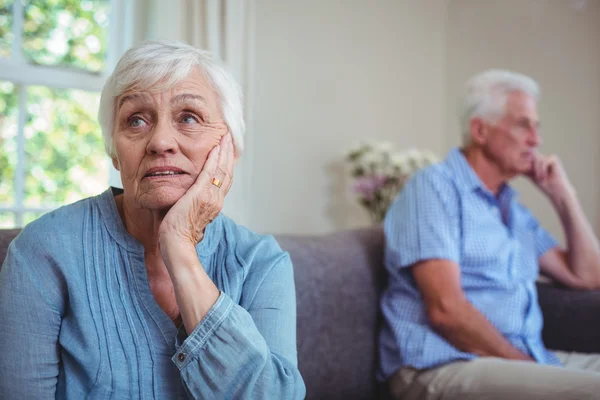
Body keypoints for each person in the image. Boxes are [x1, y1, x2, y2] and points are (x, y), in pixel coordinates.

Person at [0, 40, 306, 399]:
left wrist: (179, 246)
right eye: (136, 120)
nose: (160, 141)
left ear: (230, 147)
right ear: (114, 152)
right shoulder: (43, 251)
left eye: (188, 117)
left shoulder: (262, 263)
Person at [379, 69, 600, 400]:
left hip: (523, 361)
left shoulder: (511, 208)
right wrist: (531, 369)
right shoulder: (434, 188)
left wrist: (564, 196)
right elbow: (446, 310)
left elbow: (587, 276)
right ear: (480, 130)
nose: (536, 141)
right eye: (524, 125)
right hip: (445, 366)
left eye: (537, 128)